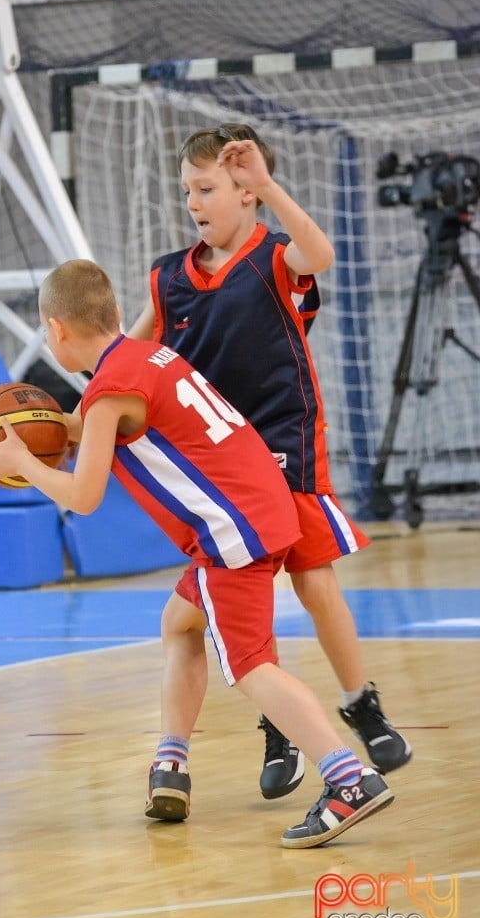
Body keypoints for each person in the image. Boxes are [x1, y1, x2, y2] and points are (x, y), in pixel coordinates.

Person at [0, 258, 394, 849]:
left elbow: (83, 497)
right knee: (181, 624)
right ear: (113, 314)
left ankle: (349, 779)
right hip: (261, 509)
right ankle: (172, 763)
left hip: (230, 533)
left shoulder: (110, 391)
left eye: (43, 330)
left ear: (56, 330)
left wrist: (25, 466)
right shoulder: (141, 360)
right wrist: (36, 433)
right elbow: (83, 424)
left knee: (249, 667)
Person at [128, 123, 411, 800]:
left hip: (285, 443)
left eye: (208, 189)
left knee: (314, 580)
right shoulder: (169, 278)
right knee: (231, 603)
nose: (195, 202)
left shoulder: (276, 256)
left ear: (247, 194)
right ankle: (278, 722)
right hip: (220, 470)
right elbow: (128, 359)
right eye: (188, 190)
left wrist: (269, 183)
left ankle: (359, 700)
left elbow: (323, 252)